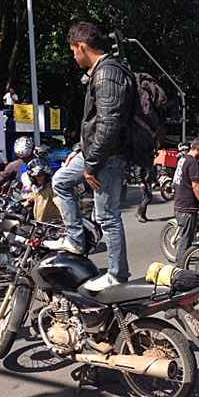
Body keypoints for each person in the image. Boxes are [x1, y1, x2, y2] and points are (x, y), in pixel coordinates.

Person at [47, 21, 134, 292]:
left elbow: (109, 124)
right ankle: (75, 239)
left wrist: (91, 166)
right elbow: (96, 124)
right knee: (60, 180)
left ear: (82, 47)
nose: (73, 56)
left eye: (73, 50)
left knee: (107, 216)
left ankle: (118, 275)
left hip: (107, 157)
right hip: (95, 152)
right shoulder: (101, 72)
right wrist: (78, 152)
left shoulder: (108, 74)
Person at [172, 137, 199, 267]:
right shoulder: (192, 162)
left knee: (186, 237)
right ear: (198, 149)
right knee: (185, 239)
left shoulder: (182, 159)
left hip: (179, 203)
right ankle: (180, 269)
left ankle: (182, 263)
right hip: (187, 206)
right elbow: (195, 185)